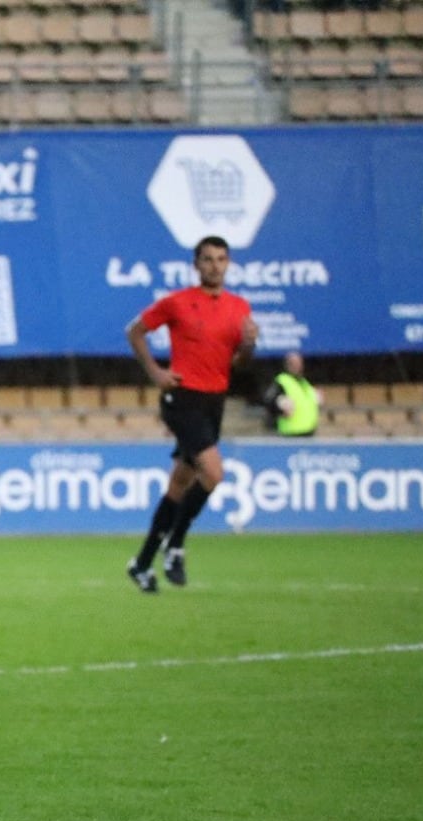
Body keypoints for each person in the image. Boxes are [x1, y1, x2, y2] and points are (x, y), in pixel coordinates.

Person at [125, 235, 257, 593]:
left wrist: (249, 344)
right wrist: (156, 373)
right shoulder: (177, 303)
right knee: (213, 472)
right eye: (208, 259)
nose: (215, 265)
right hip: (181, 397)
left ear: (228, 263)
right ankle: (176, 544)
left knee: (180, 483)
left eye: (221, 259)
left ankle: (141, 563)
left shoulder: (239, 307)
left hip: (214, 401)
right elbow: (135, 332)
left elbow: (241, 363)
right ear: (196, 265)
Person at [258, 351, 321, 436]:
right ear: (287, 364)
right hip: (290, 433)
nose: (296, 366)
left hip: (308, 432)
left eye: (299, 363)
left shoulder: (304, 382)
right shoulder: (282, 381)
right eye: (293, 363)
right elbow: (269, 401)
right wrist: (280, 410)